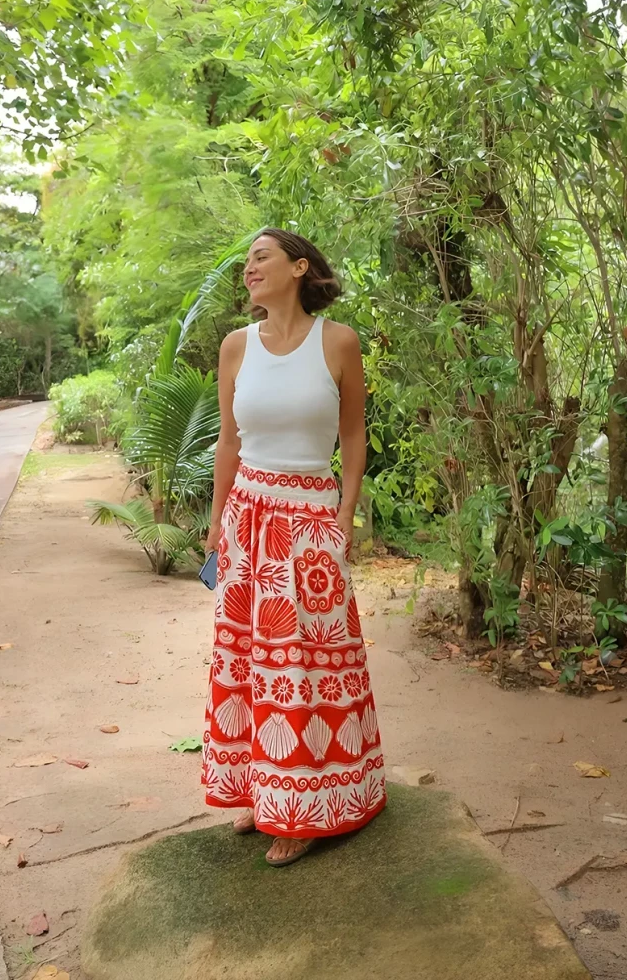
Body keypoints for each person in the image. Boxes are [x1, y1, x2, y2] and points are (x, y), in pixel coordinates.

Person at [201, 228, 386, 867]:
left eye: (261, 257)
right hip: (248, 520)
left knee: (306, 665)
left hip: (308, 520)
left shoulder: (338, 342)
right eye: (246, 261)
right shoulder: (235, 347)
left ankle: (309, 808)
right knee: (253, 661)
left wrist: (344, 516)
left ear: (298, 268)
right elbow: (229, 441)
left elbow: (355, 438)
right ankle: (266, 788)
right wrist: (217, 519)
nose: (249, 268)